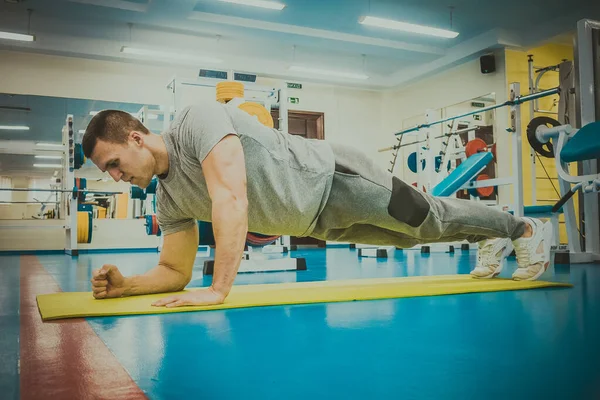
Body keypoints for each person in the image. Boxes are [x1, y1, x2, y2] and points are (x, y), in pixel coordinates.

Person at [83, 101, 553, 308]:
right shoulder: (169, 198)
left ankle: (521, 231)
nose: (119, 179)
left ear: (136, 138)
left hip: (335, 178)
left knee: (428, 220)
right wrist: (126, 286)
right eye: (110, 174)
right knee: (414, 240)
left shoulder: (195, 121)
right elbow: (174, 270)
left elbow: (230, 197)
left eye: (115, 164)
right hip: (318, 220)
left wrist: (219, 289)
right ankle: (490, 237)